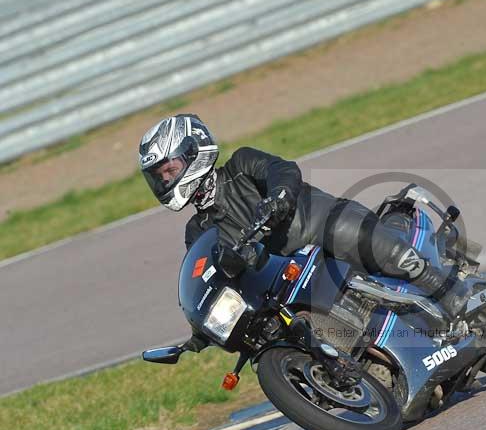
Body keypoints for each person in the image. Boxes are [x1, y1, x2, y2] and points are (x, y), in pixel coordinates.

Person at [138, 114, 469, 319]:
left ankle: (447, 291)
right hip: (288, 278)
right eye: (160, 177)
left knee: (356, 236)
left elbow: (281, 169)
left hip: (316, 225)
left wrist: (278, 197)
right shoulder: (198, 231)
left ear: (195, 151)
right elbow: (209, 275)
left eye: (170, 170)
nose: (166, 181)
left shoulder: (241, 164)